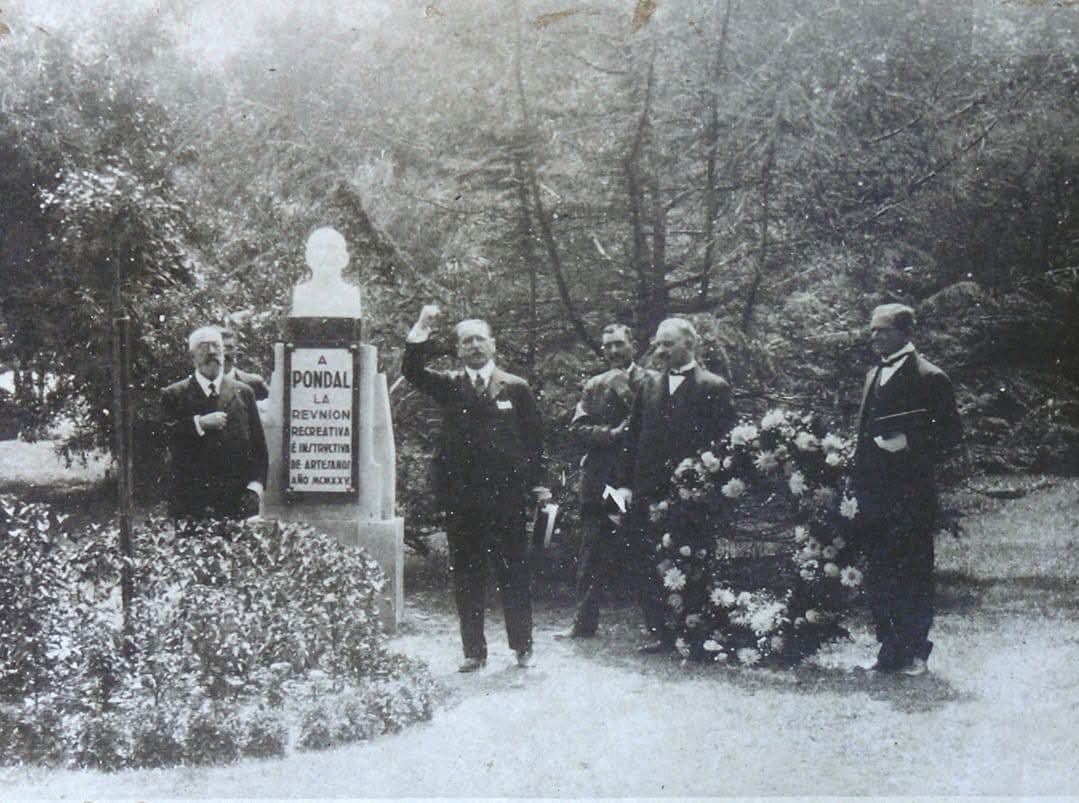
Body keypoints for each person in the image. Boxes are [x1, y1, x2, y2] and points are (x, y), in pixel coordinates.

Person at [402, 304, 548, 672]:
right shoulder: (450, 386)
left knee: (513, 571)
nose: (474, 347)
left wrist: (539, 485)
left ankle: (523, 646)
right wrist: (421, 329)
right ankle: (474, 651)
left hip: (507, 498)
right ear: (458, 349)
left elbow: (534, 442)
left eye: (480, 339)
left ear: (493, 345)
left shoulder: (516, 388)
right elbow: (411, 371)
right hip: (463, 499)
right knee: (467, 574)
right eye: (466, 342)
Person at [853, 303, 962, 676]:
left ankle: (916, 652)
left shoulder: (930, 377)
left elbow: (950, 436)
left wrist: (909, 443)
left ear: (905, 332)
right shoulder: (873, 374)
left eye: (882, 330)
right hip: (874, 492)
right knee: (880, 572)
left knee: (912, 572)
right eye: (871, 330)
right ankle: (889, 651)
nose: (874, 337)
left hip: (911, 493)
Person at [617, 317, 736, 653]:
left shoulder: (713, 387)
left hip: (692, 496)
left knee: (691, 561)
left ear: (691, 344)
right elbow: (632, 441)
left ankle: (694, 630)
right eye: (658, 343)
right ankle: (660, 631)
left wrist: (708, 488)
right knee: (646, 560)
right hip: (646, 492)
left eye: (668, 343)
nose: (661, 350)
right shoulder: (648, 386)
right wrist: (622, 489)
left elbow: (724, 447)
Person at [559, 324, 651, 639]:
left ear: (633, 346)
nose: (613, 351)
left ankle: (657, 627)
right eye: (608, 346)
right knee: (592, 552)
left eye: (620, 345)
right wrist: (612, 434)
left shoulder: (650, 382)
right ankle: (584, 623)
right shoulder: (595, 385)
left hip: (633, 480)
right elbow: (578, 428)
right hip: (602, 483)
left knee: (643, 549)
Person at [161, 326, 268, 520]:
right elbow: (164, 438)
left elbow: (259, 449)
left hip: (237, 504)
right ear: (192, 357)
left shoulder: (244, 393)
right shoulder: (175, 395)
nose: (212, 353)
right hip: (191, 506)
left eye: (216, 347)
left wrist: (255, 489)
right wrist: (198, 424)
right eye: (204, 347)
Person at [219, 326, 269, 402]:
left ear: (236, 350)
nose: (225, 352)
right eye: (219, 347)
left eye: (229, 347)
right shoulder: (200, 384)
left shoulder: (254, 383)